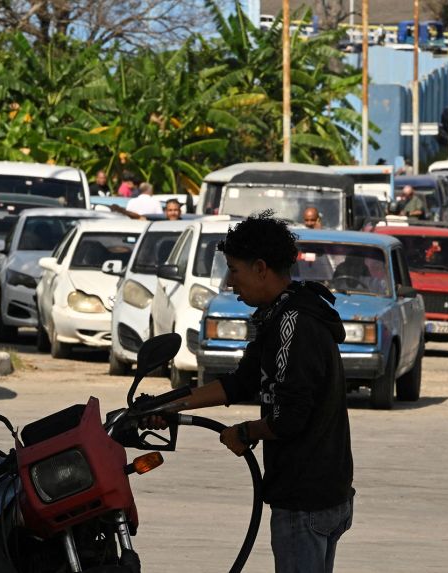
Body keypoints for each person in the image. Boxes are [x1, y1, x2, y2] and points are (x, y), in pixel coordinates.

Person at [144, 213, 354, 573]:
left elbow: (290, 417)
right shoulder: (281, 314)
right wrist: (170, 404)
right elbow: (241, 382)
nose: (229, 282)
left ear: (260, 268)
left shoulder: (294, 324)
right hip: (321, 496)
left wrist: (246, 432)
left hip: (306, 500)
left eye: (234, 271)